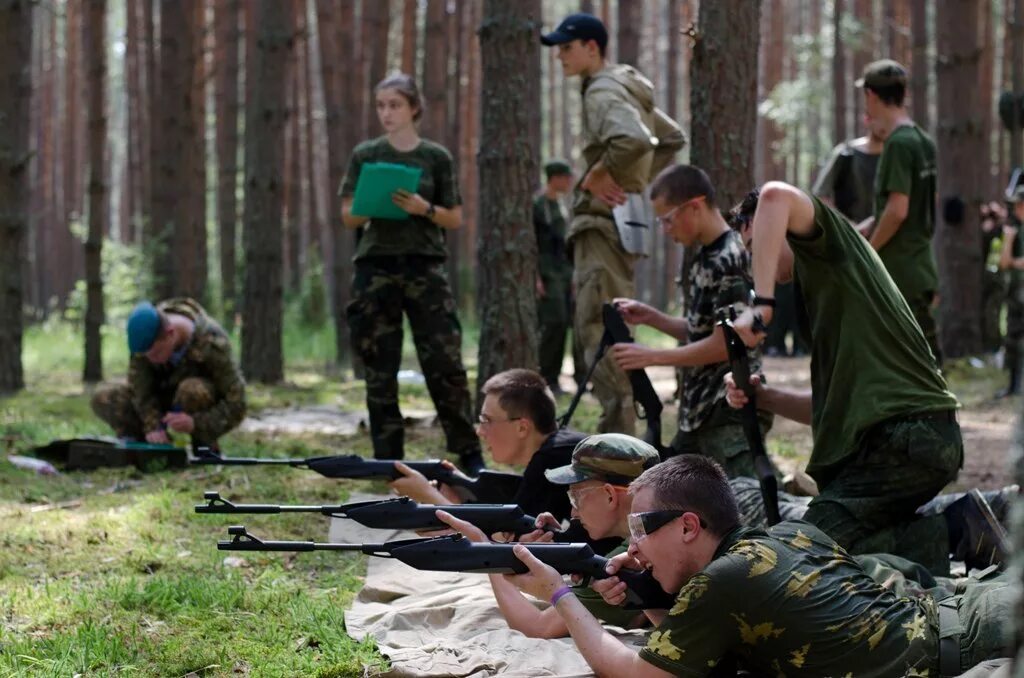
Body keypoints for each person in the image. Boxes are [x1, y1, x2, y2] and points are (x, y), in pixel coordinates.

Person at [500, 455, 1013, 677]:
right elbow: (701, 655)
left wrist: (559, 594)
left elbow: (637, 673)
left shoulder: (726, 580)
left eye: (640, 529)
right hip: (973, 607)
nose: (631, 547)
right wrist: (650, 597)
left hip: (983, 641)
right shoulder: (782, 538)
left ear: (687, 526)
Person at [724, 179, 1006, 574]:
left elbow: (773, 195)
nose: (756, 261)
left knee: (804, 551)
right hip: (907, 440)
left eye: (756, 246)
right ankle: (959, 527)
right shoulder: (829, 294)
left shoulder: (831, 249)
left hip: (905, 438)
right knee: (847, 549)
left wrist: (763, 305)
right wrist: (764, 397)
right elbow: (831, 409)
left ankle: (961, 528)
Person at [540, 13, 686, 434]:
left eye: (566, 48)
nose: (560, 57)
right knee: (612, 325)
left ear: (591, 47)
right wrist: (631, 179)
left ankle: (617, 451)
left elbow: (636, 140)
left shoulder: (602, 90)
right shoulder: (624, 85)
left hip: (602, 228)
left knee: (599, 331)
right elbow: (670, 138)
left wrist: (606, 172)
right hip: (618, 226)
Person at [340, 73, 484, 475]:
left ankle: (467, 451)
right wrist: (374, 202)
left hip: (425, 267)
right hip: (376, 270)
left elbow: (454, 217)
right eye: (381, 105)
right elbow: (348, 216)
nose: (387, 113)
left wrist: (424, 209)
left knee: (444, 362)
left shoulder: (436, 157)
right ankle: (389, 460)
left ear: (414, 108)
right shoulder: (365, 154)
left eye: (395, 105)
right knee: (379, 366)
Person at [608, 165, 773, 479]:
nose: (665, 229)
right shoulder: (706, 258)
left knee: (753, 499)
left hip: (727, 409)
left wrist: (652, 356)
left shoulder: (731, 258)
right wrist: (652, 318)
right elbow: (703, 330)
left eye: (667, 219)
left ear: (695, 206)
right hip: (700, 411)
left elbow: (729, 343)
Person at [437, 433, 659, 637]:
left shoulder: (625, 563)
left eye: (576, 498)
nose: (572, 512)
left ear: (610, 496)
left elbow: (536, 626)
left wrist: (486, 548)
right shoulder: (656, 538)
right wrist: (559, 543)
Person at [389, 368, 617, 551]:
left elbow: (506, 545)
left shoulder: (551, 458)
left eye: (487, 420)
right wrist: (461, 498)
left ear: (521, 427)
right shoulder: (561, 448)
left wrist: (431, 496)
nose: (480, 431)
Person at [859, 59, 942, 363]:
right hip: (920, 266)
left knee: (906, 364)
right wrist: (867, 225)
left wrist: (868, 250)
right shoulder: (923, 141)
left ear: (871, 95)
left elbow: (898, 210)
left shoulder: (897, 145)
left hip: (899, 272)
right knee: (925, 359)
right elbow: (925, 202)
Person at [91, 298, 246, 450]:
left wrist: (196, 424)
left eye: (157, 353)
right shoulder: (146, 334)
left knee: (192, 389)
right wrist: (153, 426)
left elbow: (238, 402)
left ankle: (203, 446)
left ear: (170, 333)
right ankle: (140, 446)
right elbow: (140, 389)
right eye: (146, 356)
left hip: (195, 404)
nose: (152, 360)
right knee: (104, 396)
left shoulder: (213, 342)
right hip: (161, 400)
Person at [534, 160, 575, 395]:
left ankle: (553, 378)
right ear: (555, 177)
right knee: (552, 323)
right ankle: (543, 377)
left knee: (562, 326)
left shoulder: (560, 204)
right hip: (546, 273)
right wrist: (535, 277)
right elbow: (533, 244)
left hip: (562, 272)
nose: (569, 182)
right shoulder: (538, 205)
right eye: (566, 177)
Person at [812, 128, 884, 225]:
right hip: (848, 231)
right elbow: (821, 195)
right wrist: (847, 225)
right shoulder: (846, 153)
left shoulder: (897, 156)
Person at [997, 186, 1024, 397]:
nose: (1016, 208)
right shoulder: (1014, 230)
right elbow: (1004, 263)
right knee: (1012, 339)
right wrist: (1008, 240)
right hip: (1015, 294)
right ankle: (1013, 386)